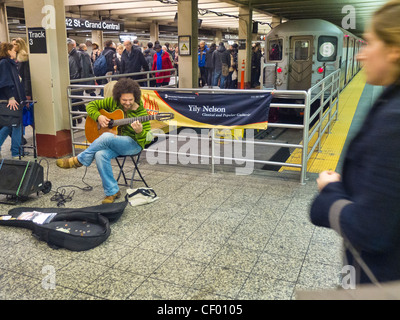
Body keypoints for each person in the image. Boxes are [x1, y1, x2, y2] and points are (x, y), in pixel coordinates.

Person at [310, 0, 400, 285]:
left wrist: (329, 194)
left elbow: (371, 227)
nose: (360, 56)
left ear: (394, 50)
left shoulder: (394, 120)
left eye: (370, 43)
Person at [56, 78, 152, 204]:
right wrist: (99, 117)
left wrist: (139, 132)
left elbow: (146, 139)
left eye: (130, 100)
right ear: (118, 97)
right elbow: (91, 106)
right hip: (114, 142)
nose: (127, 103)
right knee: (100, 154)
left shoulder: (141, 112)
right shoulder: (113, 102)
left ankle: (79, 160)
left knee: (106, 136)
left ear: (135, 98)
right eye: (124, 100)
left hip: (133, 144)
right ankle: (112, 191)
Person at [0, 42, 26, 159]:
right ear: (8, 51)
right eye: (13, 49)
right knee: (15, 125)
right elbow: (5, 82)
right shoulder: (5, 63)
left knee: (10, 125)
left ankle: (17, 151)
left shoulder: (10, 63)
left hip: (14, 99)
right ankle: (16, 152)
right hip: (11, 100)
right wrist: (11, 97)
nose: (15, 51)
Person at [67, 38, 85, 125]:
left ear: (70, 45)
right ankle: (89, 118)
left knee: (74, 102)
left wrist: (69, 80)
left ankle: (73, 123)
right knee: (78, 101)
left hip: (75, 83)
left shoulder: (75, 56)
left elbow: (75, 72)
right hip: (76, 83)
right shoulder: (71, 56)